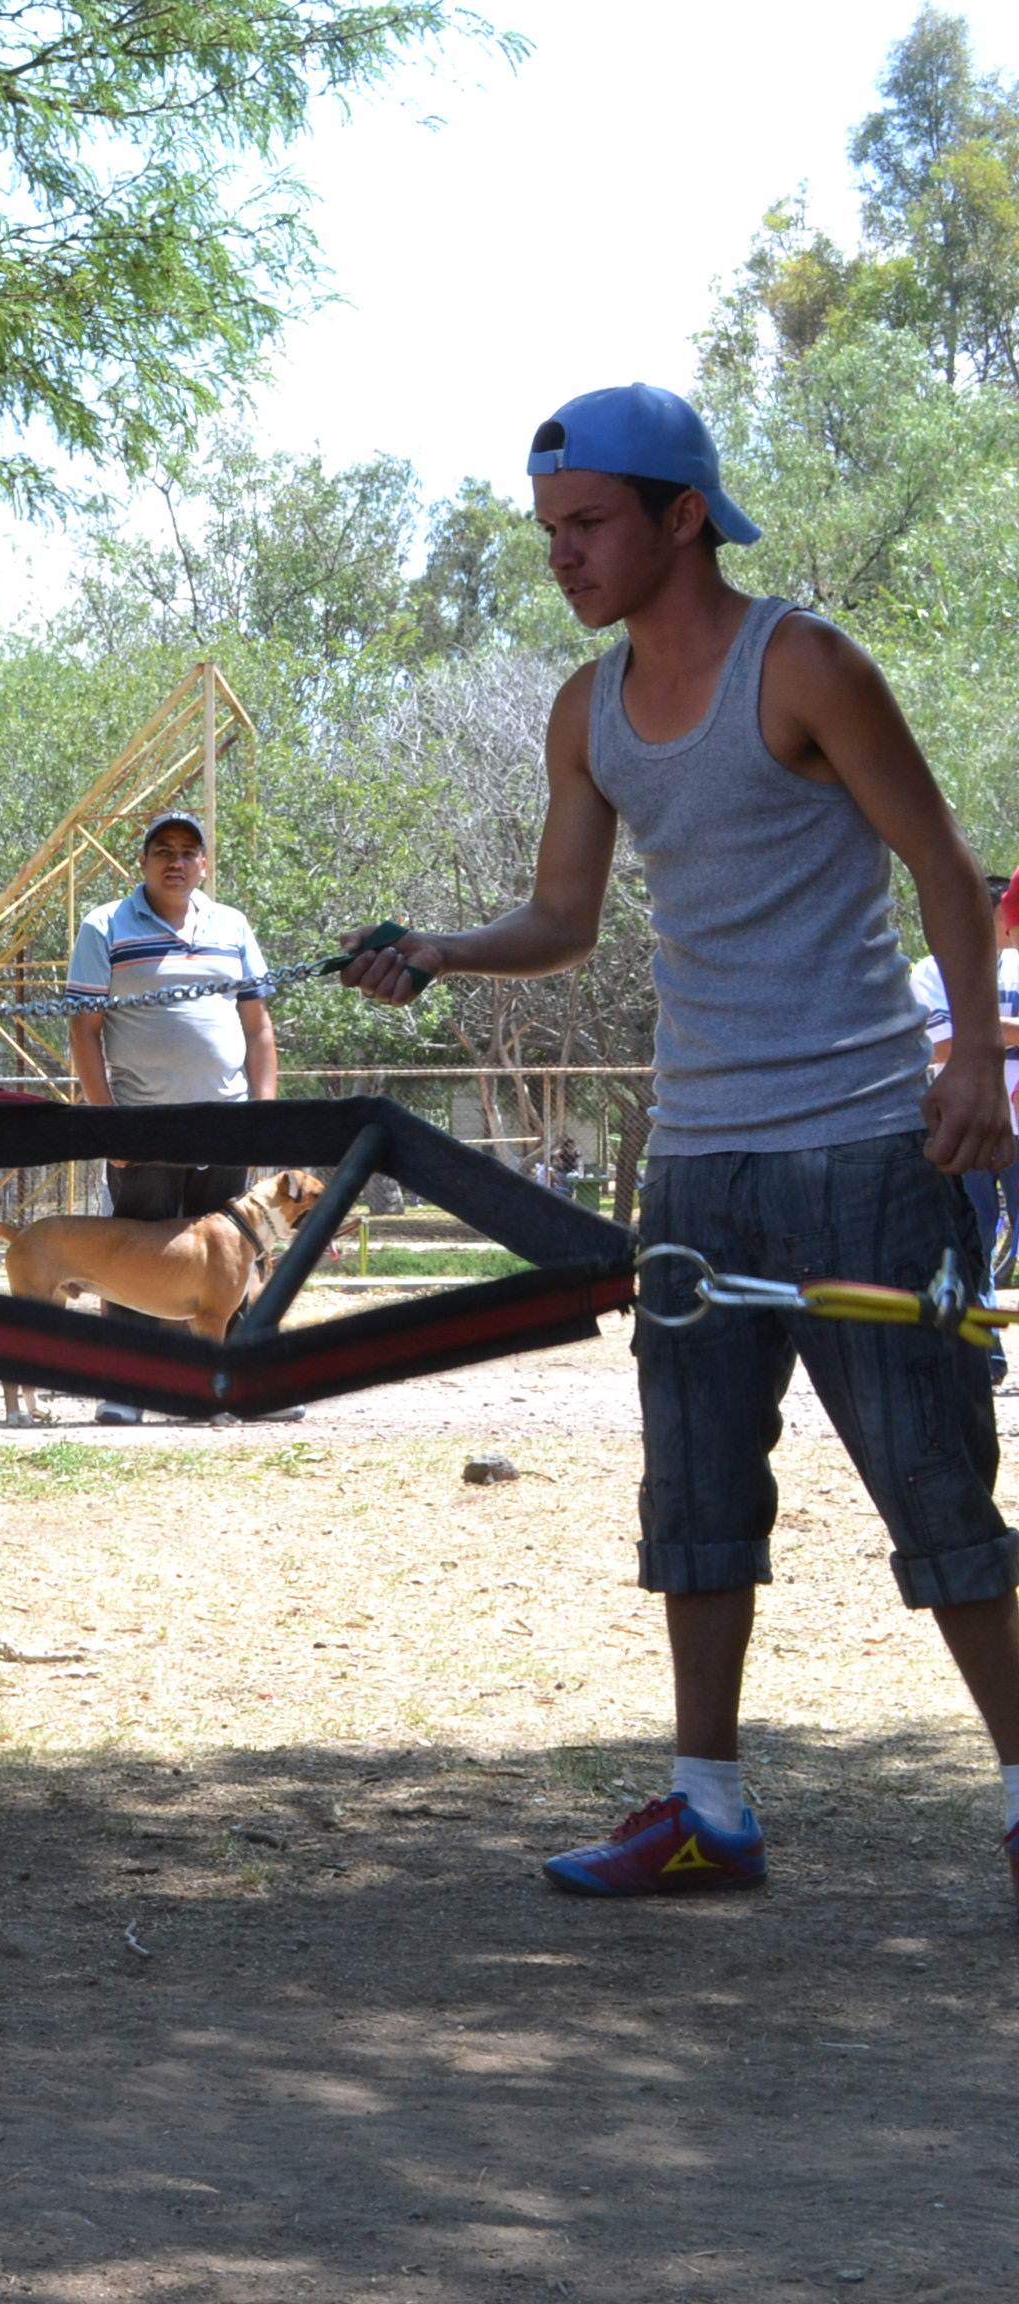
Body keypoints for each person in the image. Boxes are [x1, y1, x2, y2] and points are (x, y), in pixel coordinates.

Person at [342, 382, 1019, 1906]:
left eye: (588, 526)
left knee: (932, 1480)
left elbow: (946, 862)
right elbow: (564, 924)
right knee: (695, 1489)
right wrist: (437, 951)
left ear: (682, 515)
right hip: (699, 1164)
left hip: (861, 1140)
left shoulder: (809, 666)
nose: (564, 557)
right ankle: (708, 1807)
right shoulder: (585, 711)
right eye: (550, 533)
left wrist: (973, 1059)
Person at [65, 809, 280, 1423]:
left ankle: (227, 1387)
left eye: (190, 851)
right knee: (135, 1256)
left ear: (205, 864)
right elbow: (84, 1032)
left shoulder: (232, 925)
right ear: (144, 862)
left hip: (226, 1123)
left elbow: (258, 1025)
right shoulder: (103, 926)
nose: (176, 861)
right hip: (142, 1124)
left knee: (230, 1259)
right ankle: (131, 1390)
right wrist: (107, 1124)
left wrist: (264, 1117)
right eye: (163, 849)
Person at [912, 871, 1019, 1372]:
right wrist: (996, 1032)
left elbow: (960, 1037)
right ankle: (987, 1352)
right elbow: (934, 1045)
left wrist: (982, 1031)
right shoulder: (930, 973)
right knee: (971, 1240)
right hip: (965, 1123)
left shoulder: (1016, 965)